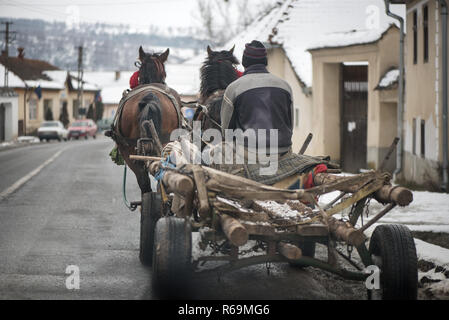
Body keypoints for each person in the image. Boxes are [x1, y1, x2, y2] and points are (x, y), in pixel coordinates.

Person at [220, 40, 293, 155]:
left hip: (249, 151)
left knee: (211, 153)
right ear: (265, 62)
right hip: (283, 149)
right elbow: (290, 124)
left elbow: (226, 131)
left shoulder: (234, 88)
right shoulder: (285, 86)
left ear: (244, 62)